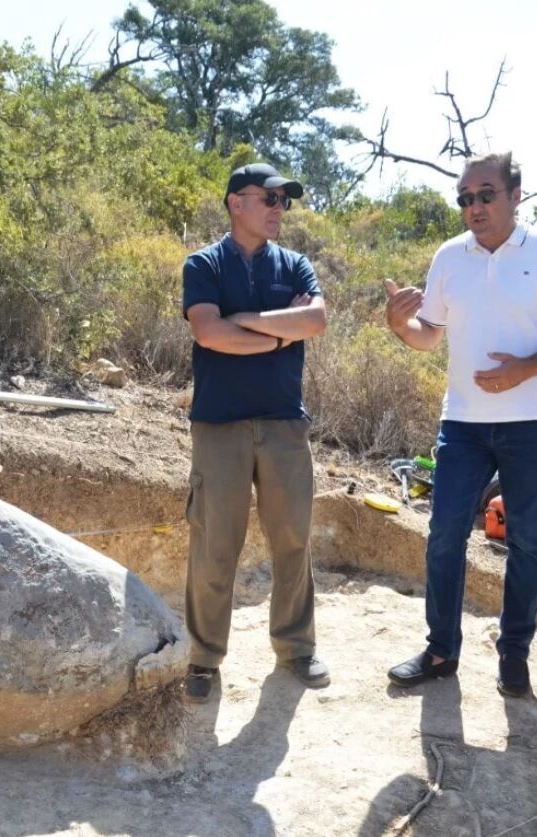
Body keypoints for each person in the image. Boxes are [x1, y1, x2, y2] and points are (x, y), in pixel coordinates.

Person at [383, 151, 537, 698]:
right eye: (465, 199)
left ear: (515, 195)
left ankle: (514, 655)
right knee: (444, 533)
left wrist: (525, 370)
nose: (472, 207)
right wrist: (399, 325)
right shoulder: (450, 258)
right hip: (465, 424)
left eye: (484, 195)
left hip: (533, 423)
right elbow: (430, 334)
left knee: (526, 543)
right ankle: (440, 650)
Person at [181, 163, 330, 702]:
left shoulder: (296, 266)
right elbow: (208, 331)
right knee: (215, 542)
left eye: (283, 201)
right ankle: (202, 659)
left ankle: (296, 648)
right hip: (218, 424)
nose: (277, 209)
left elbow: (313, 320)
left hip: (285, 423)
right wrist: (276, 335)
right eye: (267, 198)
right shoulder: (202, 264)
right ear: (234, 203)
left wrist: (246, 320)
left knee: (293, 539)